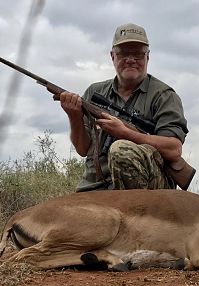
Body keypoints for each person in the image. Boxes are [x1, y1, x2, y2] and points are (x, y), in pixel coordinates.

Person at [60, 23, 189, 192]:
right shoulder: (94, 92)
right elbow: (83, 149)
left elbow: (173, 150)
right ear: (112, 56)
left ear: (147, 56)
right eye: (123, 54)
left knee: (121, 150)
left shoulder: (164, 95)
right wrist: (74, 116)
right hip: (94, 187)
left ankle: (138, 213)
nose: (130, 60)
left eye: (137, 54)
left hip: (152, 190)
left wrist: (125, 133)